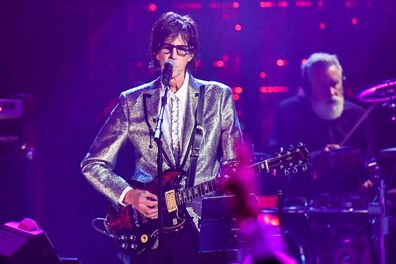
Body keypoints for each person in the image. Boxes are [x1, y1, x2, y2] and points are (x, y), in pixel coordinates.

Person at [80, 11, 242, 263]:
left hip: (201, 225)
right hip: (149, 227)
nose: (174, 55)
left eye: (181, 48)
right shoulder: (132, 101)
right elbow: (93, 163)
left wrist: (225, 182)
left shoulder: (217, 97)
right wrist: (129, 195)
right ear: (156, 53)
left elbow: (234, 161)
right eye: (167, 47)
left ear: (191, 55)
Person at [269, 52, 375, 197]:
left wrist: (364, 174)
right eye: (323, 86)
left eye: (335, 84)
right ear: (308, 89)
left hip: (352, 199)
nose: (331, 92)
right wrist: (317, 157)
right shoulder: (288, 112)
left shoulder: (357, 115)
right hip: (305, 198)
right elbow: (276, 158)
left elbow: (370, 159)